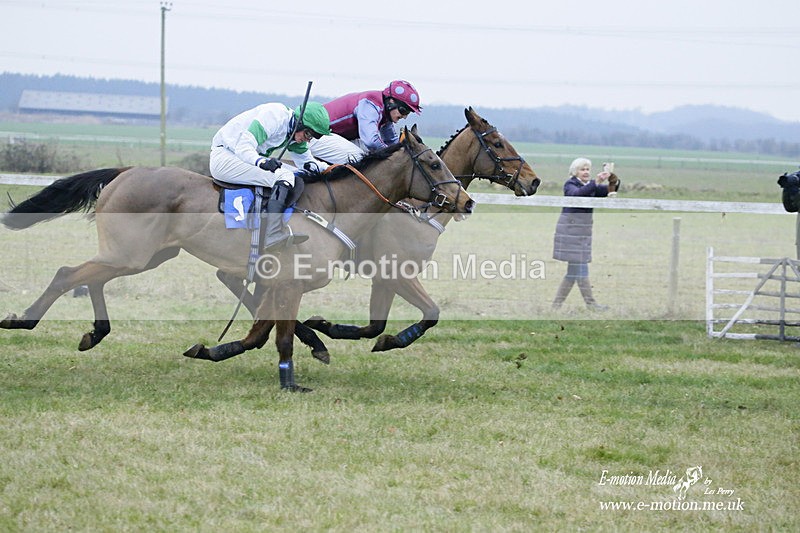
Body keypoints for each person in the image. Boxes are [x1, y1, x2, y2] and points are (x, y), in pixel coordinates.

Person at [209, 101, 332, 250]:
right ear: (299, 123)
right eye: (307, 134)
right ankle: (272, 234)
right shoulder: (274, 116)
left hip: (241, 158)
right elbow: (244, 147)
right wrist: (261, 162)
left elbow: (307, 163)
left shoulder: (294, 133)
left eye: (312, 137)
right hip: (225, 157)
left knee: (295, 175)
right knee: (285, 177)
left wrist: (336, 169)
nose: (307, 139)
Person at [307, 80, 422, 165]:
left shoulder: (385, 114)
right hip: (313, 136)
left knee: (372, 155)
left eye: (408, 113)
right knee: (361, 159)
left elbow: (391, 142)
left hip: (335, 136)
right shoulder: (370, 103)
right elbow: (372, 141)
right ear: (391, 101)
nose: (405, 116)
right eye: (403, 110)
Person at [551, 157, 611, 311]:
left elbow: (610, 191)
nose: (586, 172)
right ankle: (591, 305)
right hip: (570, 233)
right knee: (580, 269)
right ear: (575, 172)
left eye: (588, 169)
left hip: (581, 235)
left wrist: (611, 178)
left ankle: (556, 307)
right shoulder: (570, 184)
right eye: (582, 169)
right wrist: (595, 182)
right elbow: (576, 196)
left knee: (573, 273)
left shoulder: (590, 186)